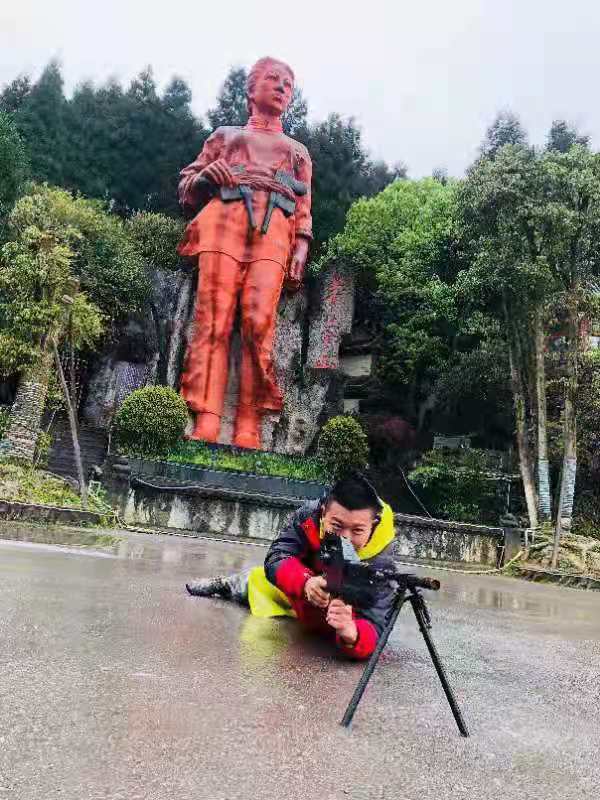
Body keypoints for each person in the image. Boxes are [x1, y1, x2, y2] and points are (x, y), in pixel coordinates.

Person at [177, 56, 312, 449]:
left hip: (275, 231)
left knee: (258, 323)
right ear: (251, 89)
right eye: (273, 79)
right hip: (225, 222)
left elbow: (304, 208)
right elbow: (187, 186)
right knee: (213, 319)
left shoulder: (298, 152)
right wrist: (205, 176)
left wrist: (301, 246)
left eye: (288, 83)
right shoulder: (225, 136)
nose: (283, 87)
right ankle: (207, 416)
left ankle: (248, 423)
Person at [186, 474, 397, 660]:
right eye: (337, 526)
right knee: (259, 581)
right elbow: (278, 556)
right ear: (323, 513)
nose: (345, 538)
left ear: (374, 525)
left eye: (357, 530)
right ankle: (229, 584)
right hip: (303, 592)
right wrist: (306, 582)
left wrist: (353, 635)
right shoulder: (308, 516)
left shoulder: (382, 560)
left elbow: (377, 624)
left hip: (341, 613)